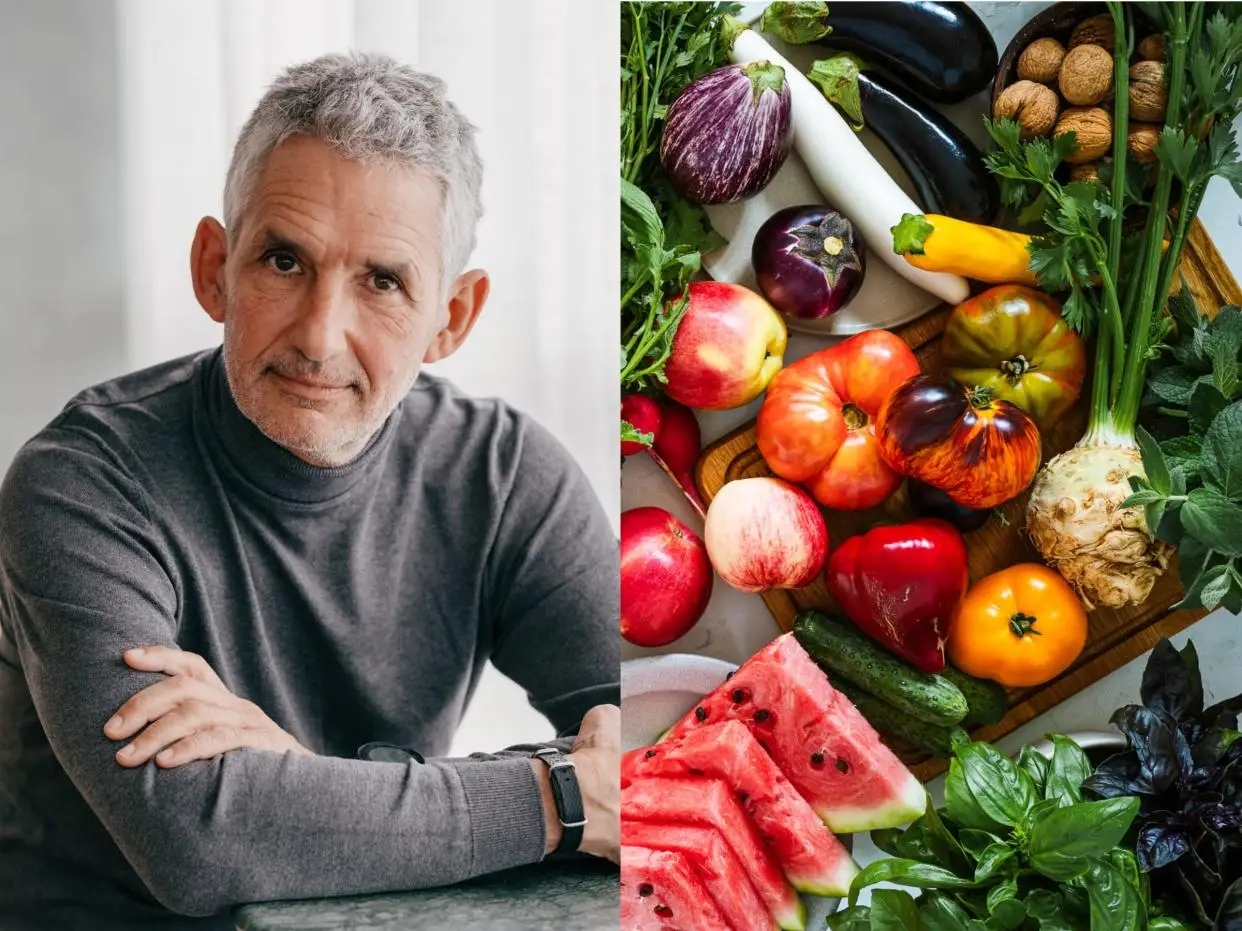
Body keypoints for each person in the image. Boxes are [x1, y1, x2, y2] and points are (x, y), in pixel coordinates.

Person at [0, 52, 619, 929]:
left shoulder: (505, 475)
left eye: (383, 280)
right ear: (214, 266)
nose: (322, 336)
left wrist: (295, 787)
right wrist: (558, 795)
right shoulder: (79, 486)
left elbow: (655, 750)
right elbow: (199, 843)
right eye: (284, 262)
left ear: (452, 317)